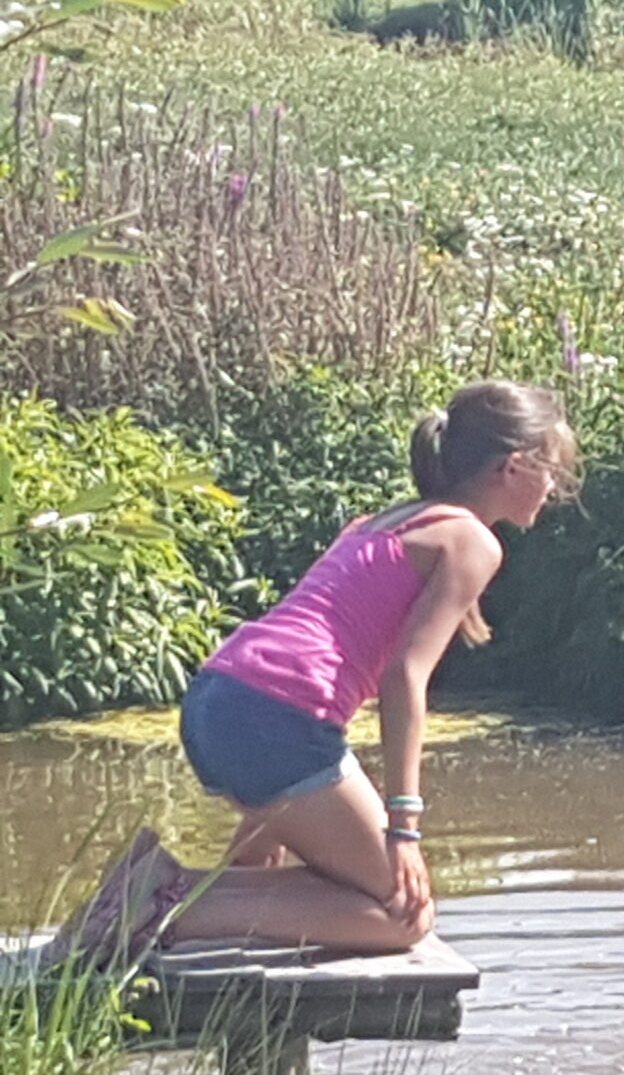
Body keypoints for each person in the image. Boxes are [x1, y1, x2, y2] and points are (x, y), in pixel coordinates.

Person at [49, 382, 576, 967]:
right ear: (514, 465)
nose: (554, 486)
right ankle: (168, 902)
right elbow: (405, 677)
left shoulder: (384, 521)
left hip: (220, 696)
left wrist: (262, 840)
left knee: (283, 873)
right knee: (403, 915)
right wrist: (404, 824)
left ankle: (157, 886)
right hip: (276, 715)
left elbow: (310, 653)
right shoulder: (472, 540)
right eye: (551, 467)